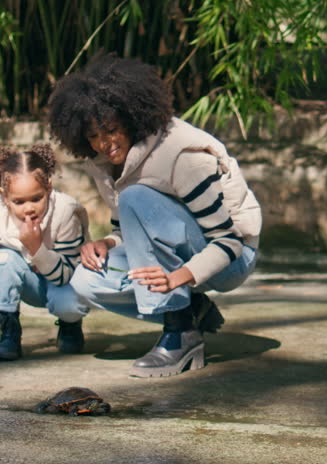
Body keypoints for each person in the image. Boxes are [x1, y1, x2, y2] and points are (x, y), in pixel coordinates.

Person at [46, 54, 261, 378]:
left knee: (136, 194)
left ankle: (179, 333)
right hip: (184, 254)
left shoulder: (181, 156)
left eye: (111, 129)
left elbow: (228, 241)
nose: (104, 143)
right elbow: (130, 228)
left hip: (232, 258)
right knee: (86, 280)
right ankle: (189, 312)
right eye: (93, 136)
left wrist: (180, 278)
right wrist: (105, 242)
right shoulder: (105, 163)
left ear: (132, 118)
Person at [0, 144, 90, 361]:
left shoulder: (65, 213)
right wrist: (23, 256)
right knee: (2, 259)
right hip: (31, 282)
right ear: (4, 197)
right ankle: (9, 331)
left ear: (48, 187)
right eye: (18, 202)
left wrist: (37, 248)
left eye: (36, 198)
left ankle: (70, 324)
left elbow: (67, 274)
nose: (28, 208)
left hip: (62, 283)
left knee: (69, 304)